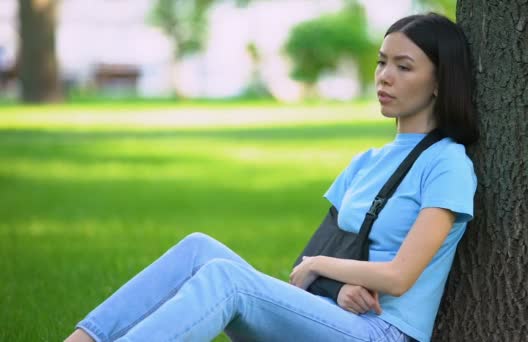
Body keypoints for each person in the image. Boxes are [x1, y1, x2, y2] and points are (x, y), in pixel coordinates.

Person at [65, 12, 478, 342]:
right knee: (198, 249)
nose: (384, 76)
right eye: (382, 62)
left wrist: (324, 266)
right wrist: (334, 283)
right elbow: (305, 266)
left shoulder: (447, 164)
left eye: (404, 67)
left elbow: (399, 277)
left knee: (225, 279)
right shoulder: (366, 162)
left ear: (439, 82)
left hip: (381, 331)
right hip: (331, 316)